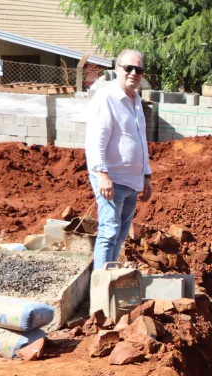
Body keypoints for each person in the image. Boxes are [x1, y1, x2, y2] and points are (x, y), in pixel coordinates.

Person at [85, 48, 153, 272]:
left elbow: (141, 140)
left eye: (139, 69)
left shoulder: (135, 102)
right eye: (129, 68)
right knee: (109, 231)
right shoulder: (107, 99)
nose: (134, 73)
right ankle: (101, 287)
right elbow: (96, 139)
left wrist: (147, 176)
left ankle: (110, 276)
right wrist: (102, 175)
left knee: (121, 233)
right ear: (117, 69)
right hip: (112, 179)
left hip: (132, 181)